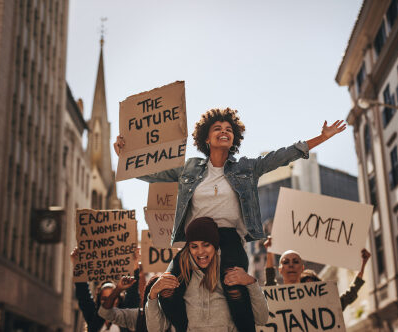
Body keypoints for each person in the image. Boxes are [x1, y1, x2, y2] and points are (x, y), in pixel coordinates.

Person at [114, 108, 346, 331]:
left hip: (228, 236)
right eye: (217, 128)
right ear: (206, 137)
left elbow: (280, 157)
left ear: (234, 137)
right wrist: (125, 156)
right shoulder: (190, 167)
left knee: (233, 286)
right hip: (195, 239)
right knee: (166, 287)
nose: (224, 131)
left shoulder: (246, 167)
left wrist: (321, 138)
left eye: (229, 129)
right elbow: (155, 174)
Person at [144, 217, 269, 331]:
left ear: (215, 246)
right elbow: (155, 329)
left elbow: (262, 319)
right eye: (194, 246)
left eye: (206, 245)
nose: (200, 252)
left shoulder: (232, 275)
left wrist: (251, 283)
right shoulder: (181, 279)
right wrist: (153, 293)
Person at [263, 236, 371, 310]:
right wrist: (269, 251)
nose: (291, 265)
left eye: (296, 262)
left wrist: (363, 264)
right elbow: (270, 282)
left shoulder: (323, 304)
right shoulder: (276, 298)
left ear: (302, 268)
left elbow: (350, 295)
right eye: (286, 262)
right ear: (280, 270)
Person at [71, 247, 141, 332]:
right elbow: (83, 295)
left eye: (113, 297)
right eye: (105, 298)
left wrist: (134, 266)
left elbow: (133, 295)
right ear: (99, 301)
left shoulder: (125, 318)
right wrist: (77, 266)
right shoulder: (94, 318)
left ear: (118, 299)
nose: (109, 301)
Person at [98, 275, 167, 332]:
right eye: (152, 298)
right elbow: (105, 312)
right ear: (147, 299)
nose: (155, 304)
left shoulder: (175, 315)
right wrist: (118, 289)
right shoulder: (138, 316)